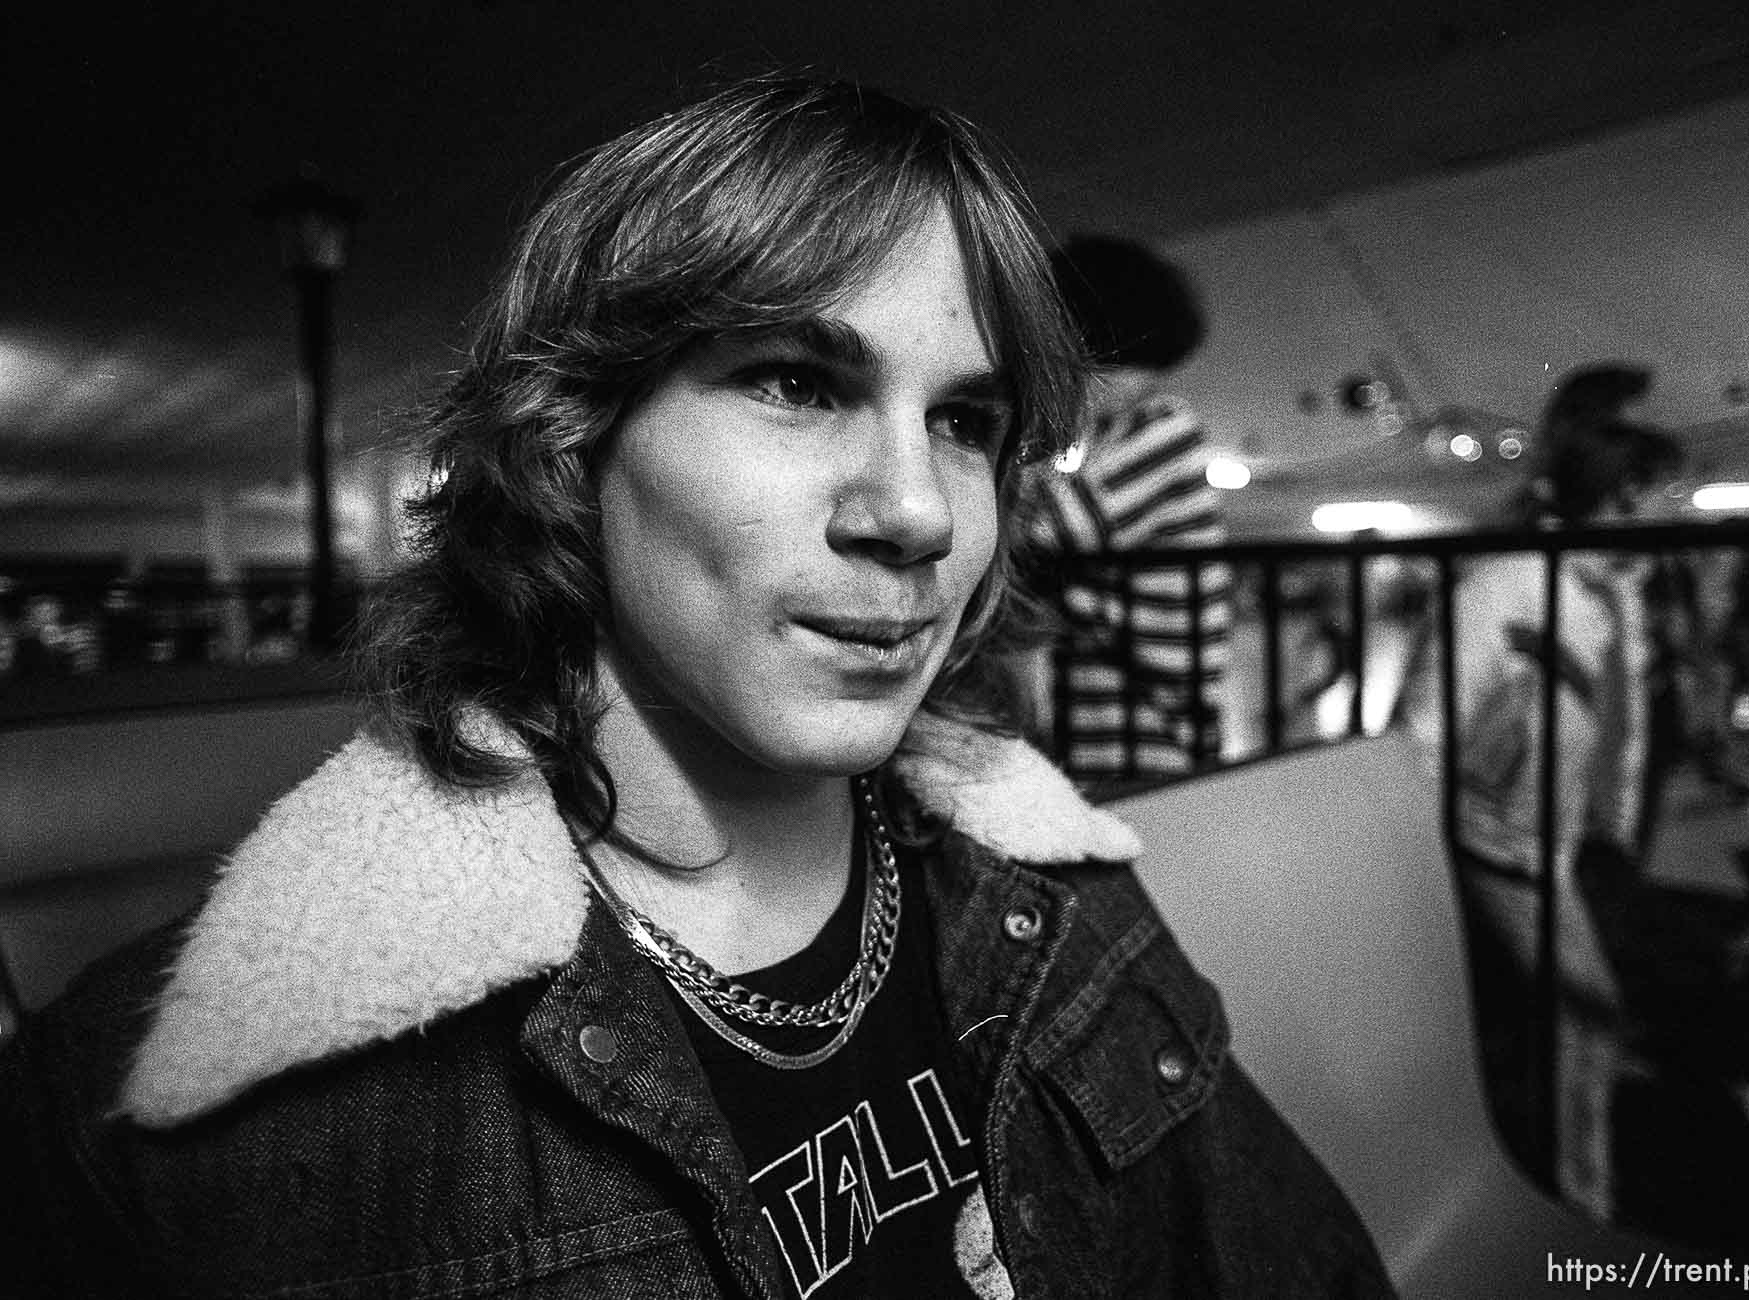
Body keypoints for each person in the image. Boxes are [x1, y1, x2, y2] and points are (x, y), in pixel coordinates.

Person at [0, 77, 1390, 1297]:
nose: (916, 509)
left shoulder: (1059, 901)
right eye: (794, 379)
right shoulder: (176, 1127)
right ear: (570, 441)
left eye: (966, 422)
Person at [1399, 362, 1681, 1218]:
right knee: (1588, 1011)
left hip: (1561, 840)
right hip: (1507, 841)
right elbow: (1428, 723)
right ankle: (1580, 1202)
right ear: (1623, 496)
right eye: (1659, 492)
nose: (1673, 509)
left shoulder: (1610, 592)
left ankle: (1565, 1178)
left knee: (1565, 1015)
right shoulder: (1514, 584)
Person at [1018, 234, 1234, 792]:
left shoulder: (1165, 430)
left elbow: (1051, 529)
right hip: (1106, 713)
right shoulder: (1119, 434)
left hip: (1148, 723)